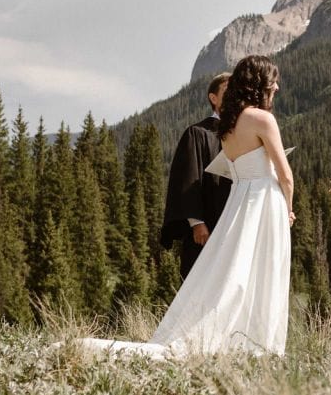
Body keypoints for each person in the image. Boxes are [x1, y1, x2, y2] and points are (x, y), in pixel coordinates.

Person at [78, 55, 295, 359]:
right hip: (264, 202)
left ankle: (243, 339)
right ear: (259, 83)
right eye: (273, 81)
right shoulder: (261, 120)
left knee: (234, 271)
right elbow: (285, 174)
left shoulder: (227, 128)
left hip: (240, 203)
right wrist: (288, 207)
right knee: (264, 268)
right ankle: (260, 343)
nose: (277, 86)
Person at [160, 72, 231, 279]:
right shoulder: (198, 133)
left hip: (232, 219)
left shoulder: (241, 134)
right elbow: (189, 179)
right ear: (213, 98)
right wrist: (197, 223)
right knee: (201, 280)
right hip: (206, 224)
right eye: (227, 91)